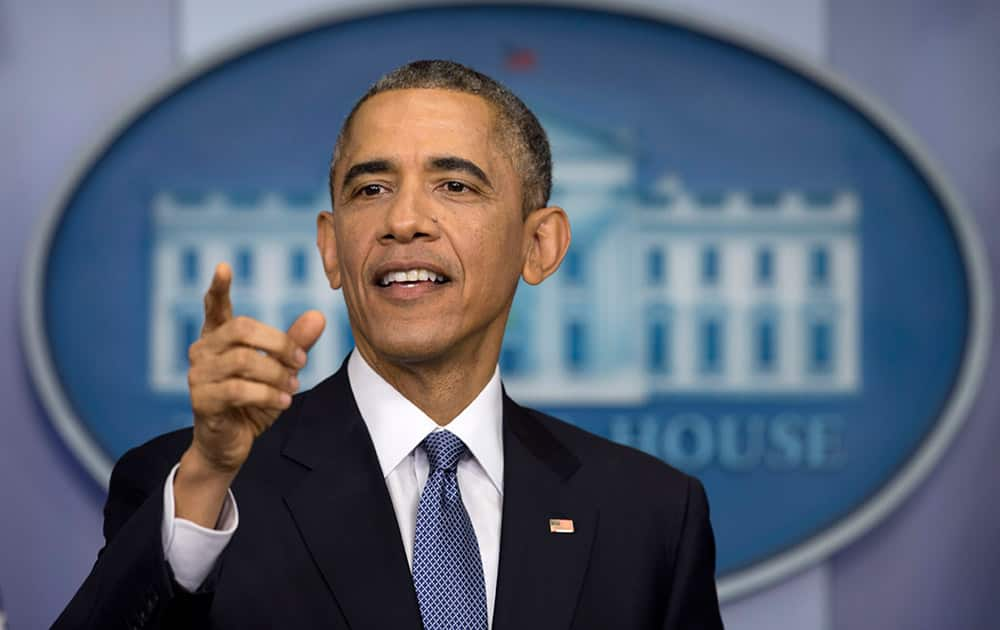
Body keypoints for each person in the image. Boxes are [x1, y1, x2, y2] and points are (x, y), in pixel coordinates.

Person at [55, 60, 724, 629]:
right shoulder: (193, 485)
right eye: (371, 188)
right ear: (332, 248)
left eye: (455, 185)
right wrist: (205, 481)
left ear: (539, 243)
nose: (403, 221)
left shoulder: (651, 515)